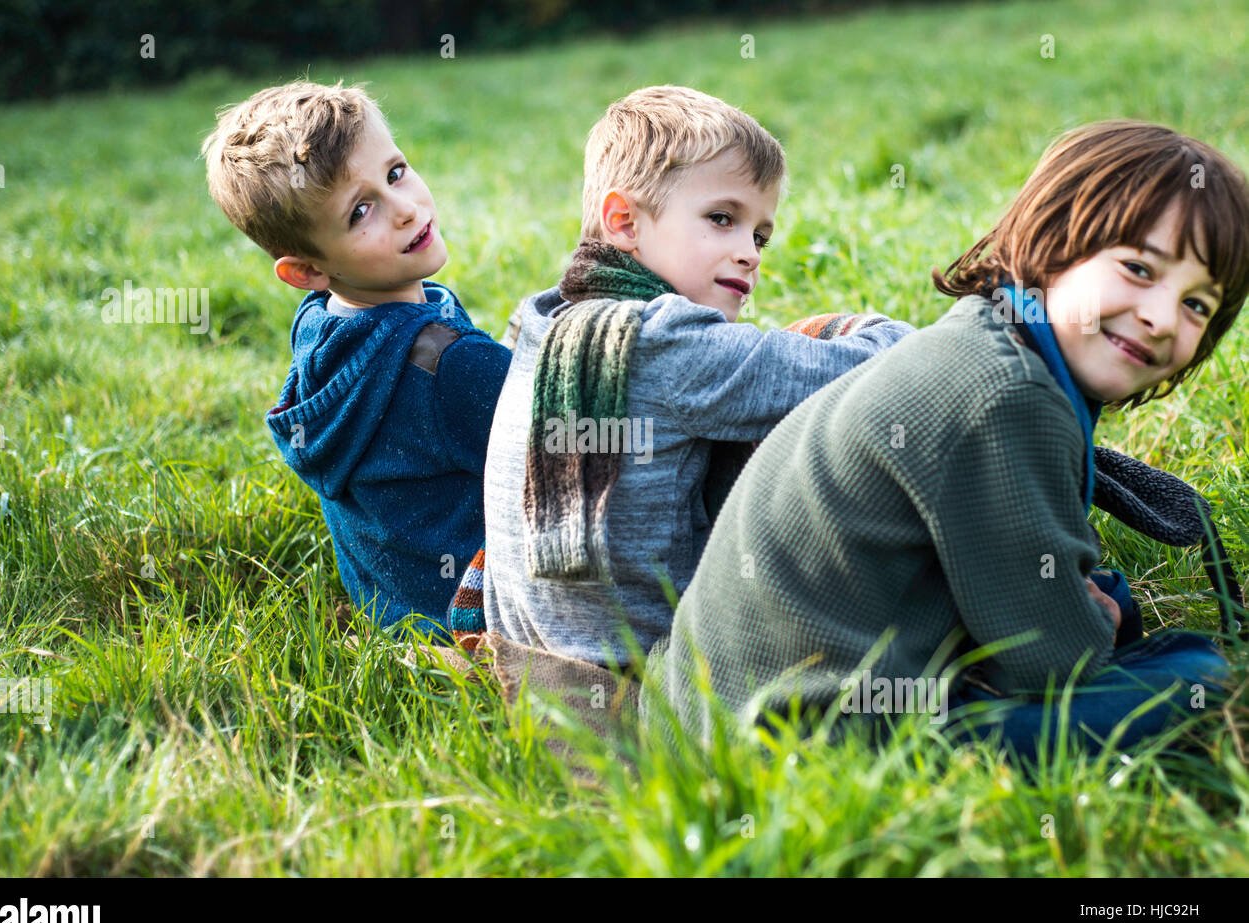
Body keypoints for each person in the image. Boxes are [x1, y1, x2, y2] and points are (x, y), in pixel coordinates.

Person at [646, 120, 1249, 759]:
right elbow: (1053, 664)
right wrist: (1100, 618)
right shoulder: (1006, 396)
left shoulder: (982, 339)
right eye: (1137, 268)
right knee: (1202, 679)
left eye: (1197, 306)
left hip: (701, 714)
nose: (1160, 318)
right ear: (1053, 240)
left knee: (1127, 612)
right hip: (818, 747)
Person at [477, 85, 913, 667]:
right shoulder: (663, 343)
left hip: (533, 666)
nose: (750, 253)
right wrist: (876, 328)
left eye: (759, 236)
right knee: (824, 358)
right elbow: (876, 369)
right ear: (625, 222)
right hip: (652, 672)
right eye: (722, 219)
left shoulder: (545, 322)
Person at [202, 80, 510, 635]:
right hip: (479, 616)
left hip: (391, 613)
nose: (405, 208)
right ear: (308, 272)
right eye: (360, 211)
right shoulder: (451, 367)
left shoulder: (318, 328)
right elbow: (573, 447)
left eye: (395, 173)